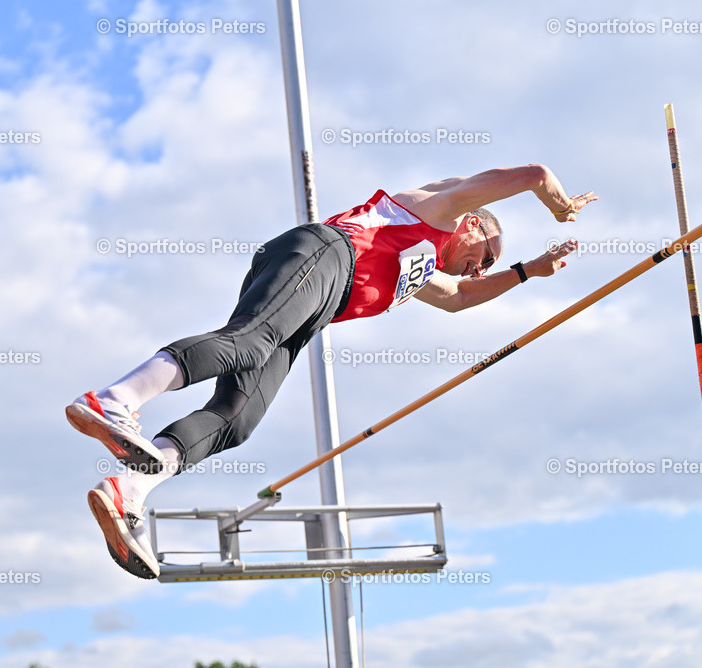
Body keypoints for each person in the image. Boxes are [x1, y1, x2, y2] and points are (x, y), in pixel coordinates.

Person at [67, 164, 597, 578]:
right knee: (251, 341)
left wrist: (527, 271)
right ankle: (113, 400)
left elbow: (459, 300)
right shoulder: (444, 211)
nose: (481, 266)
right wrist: (561, 205)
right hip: (323, 256)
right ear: (475, 223)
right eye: (487, 254)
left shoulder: (421, 265)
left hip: (319, 305)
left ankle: (128, 489)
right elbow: (534, 176)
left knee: (236, 418)